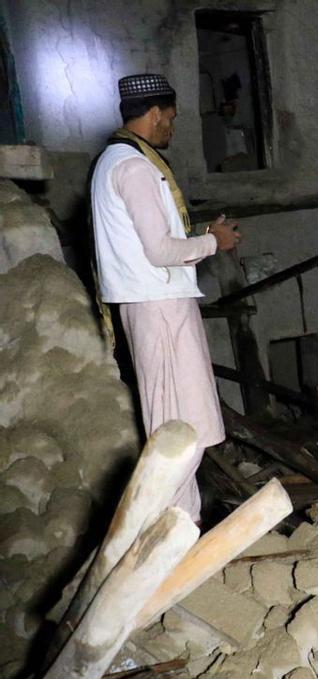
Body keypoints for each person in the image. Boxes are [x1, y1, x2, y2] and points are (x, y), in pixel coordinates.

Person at [91, 73, 241, 523]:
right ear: (153, 113)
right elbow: (159, 252)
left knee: (185, 428)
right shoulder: (135, 167)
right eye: (170, 118)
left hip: (156, 304)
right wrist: (213, 242)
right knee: (175, 432)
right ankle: (164, 530)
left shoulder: (115, 160)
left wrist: (202, 235)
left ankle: (182, 527)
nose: (171, 128)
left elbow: (152, 244)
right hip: (158, 308)